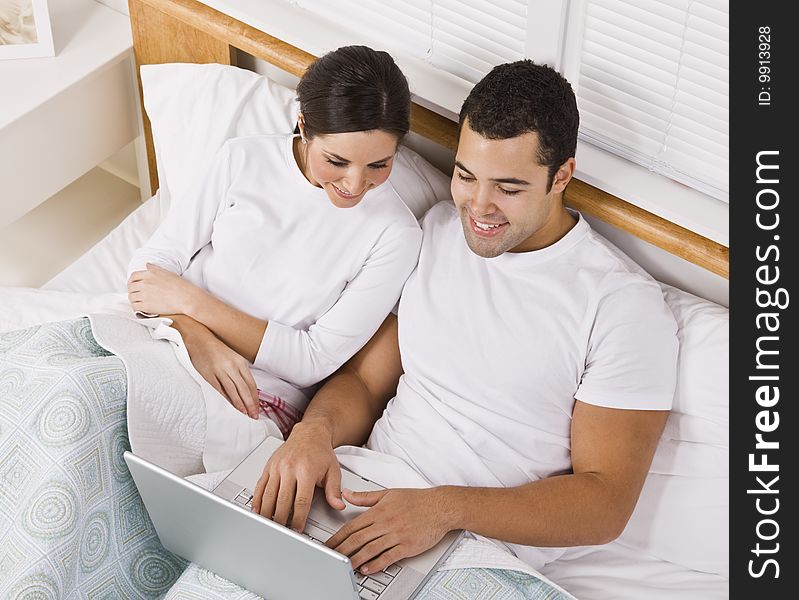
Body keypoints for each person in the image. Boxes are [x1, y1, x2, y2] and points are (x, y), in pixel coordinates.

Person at [250, 60, 679, 574]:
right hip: (361, 494)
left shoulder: (621, 305)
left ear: (561, 175)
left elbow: (604, 502)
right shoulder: (437, 230)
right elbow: (366, 381)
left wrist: (441, 509)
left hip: (476, 550)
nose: (478, 206)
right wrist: (312, 435)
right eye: (465, 175)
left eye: (509, 188)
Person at [125, 45, 422, 439]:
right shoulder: (242, 158)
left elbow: (312, 360)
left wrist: (191, 304)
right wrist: (193, 334)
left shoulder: (395, 235)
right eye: (336, 161)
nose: (354, 184)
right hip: (169, 337)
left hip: (254, 393)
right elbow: (148, 271)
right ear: (303, 126)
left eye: (379, 165)